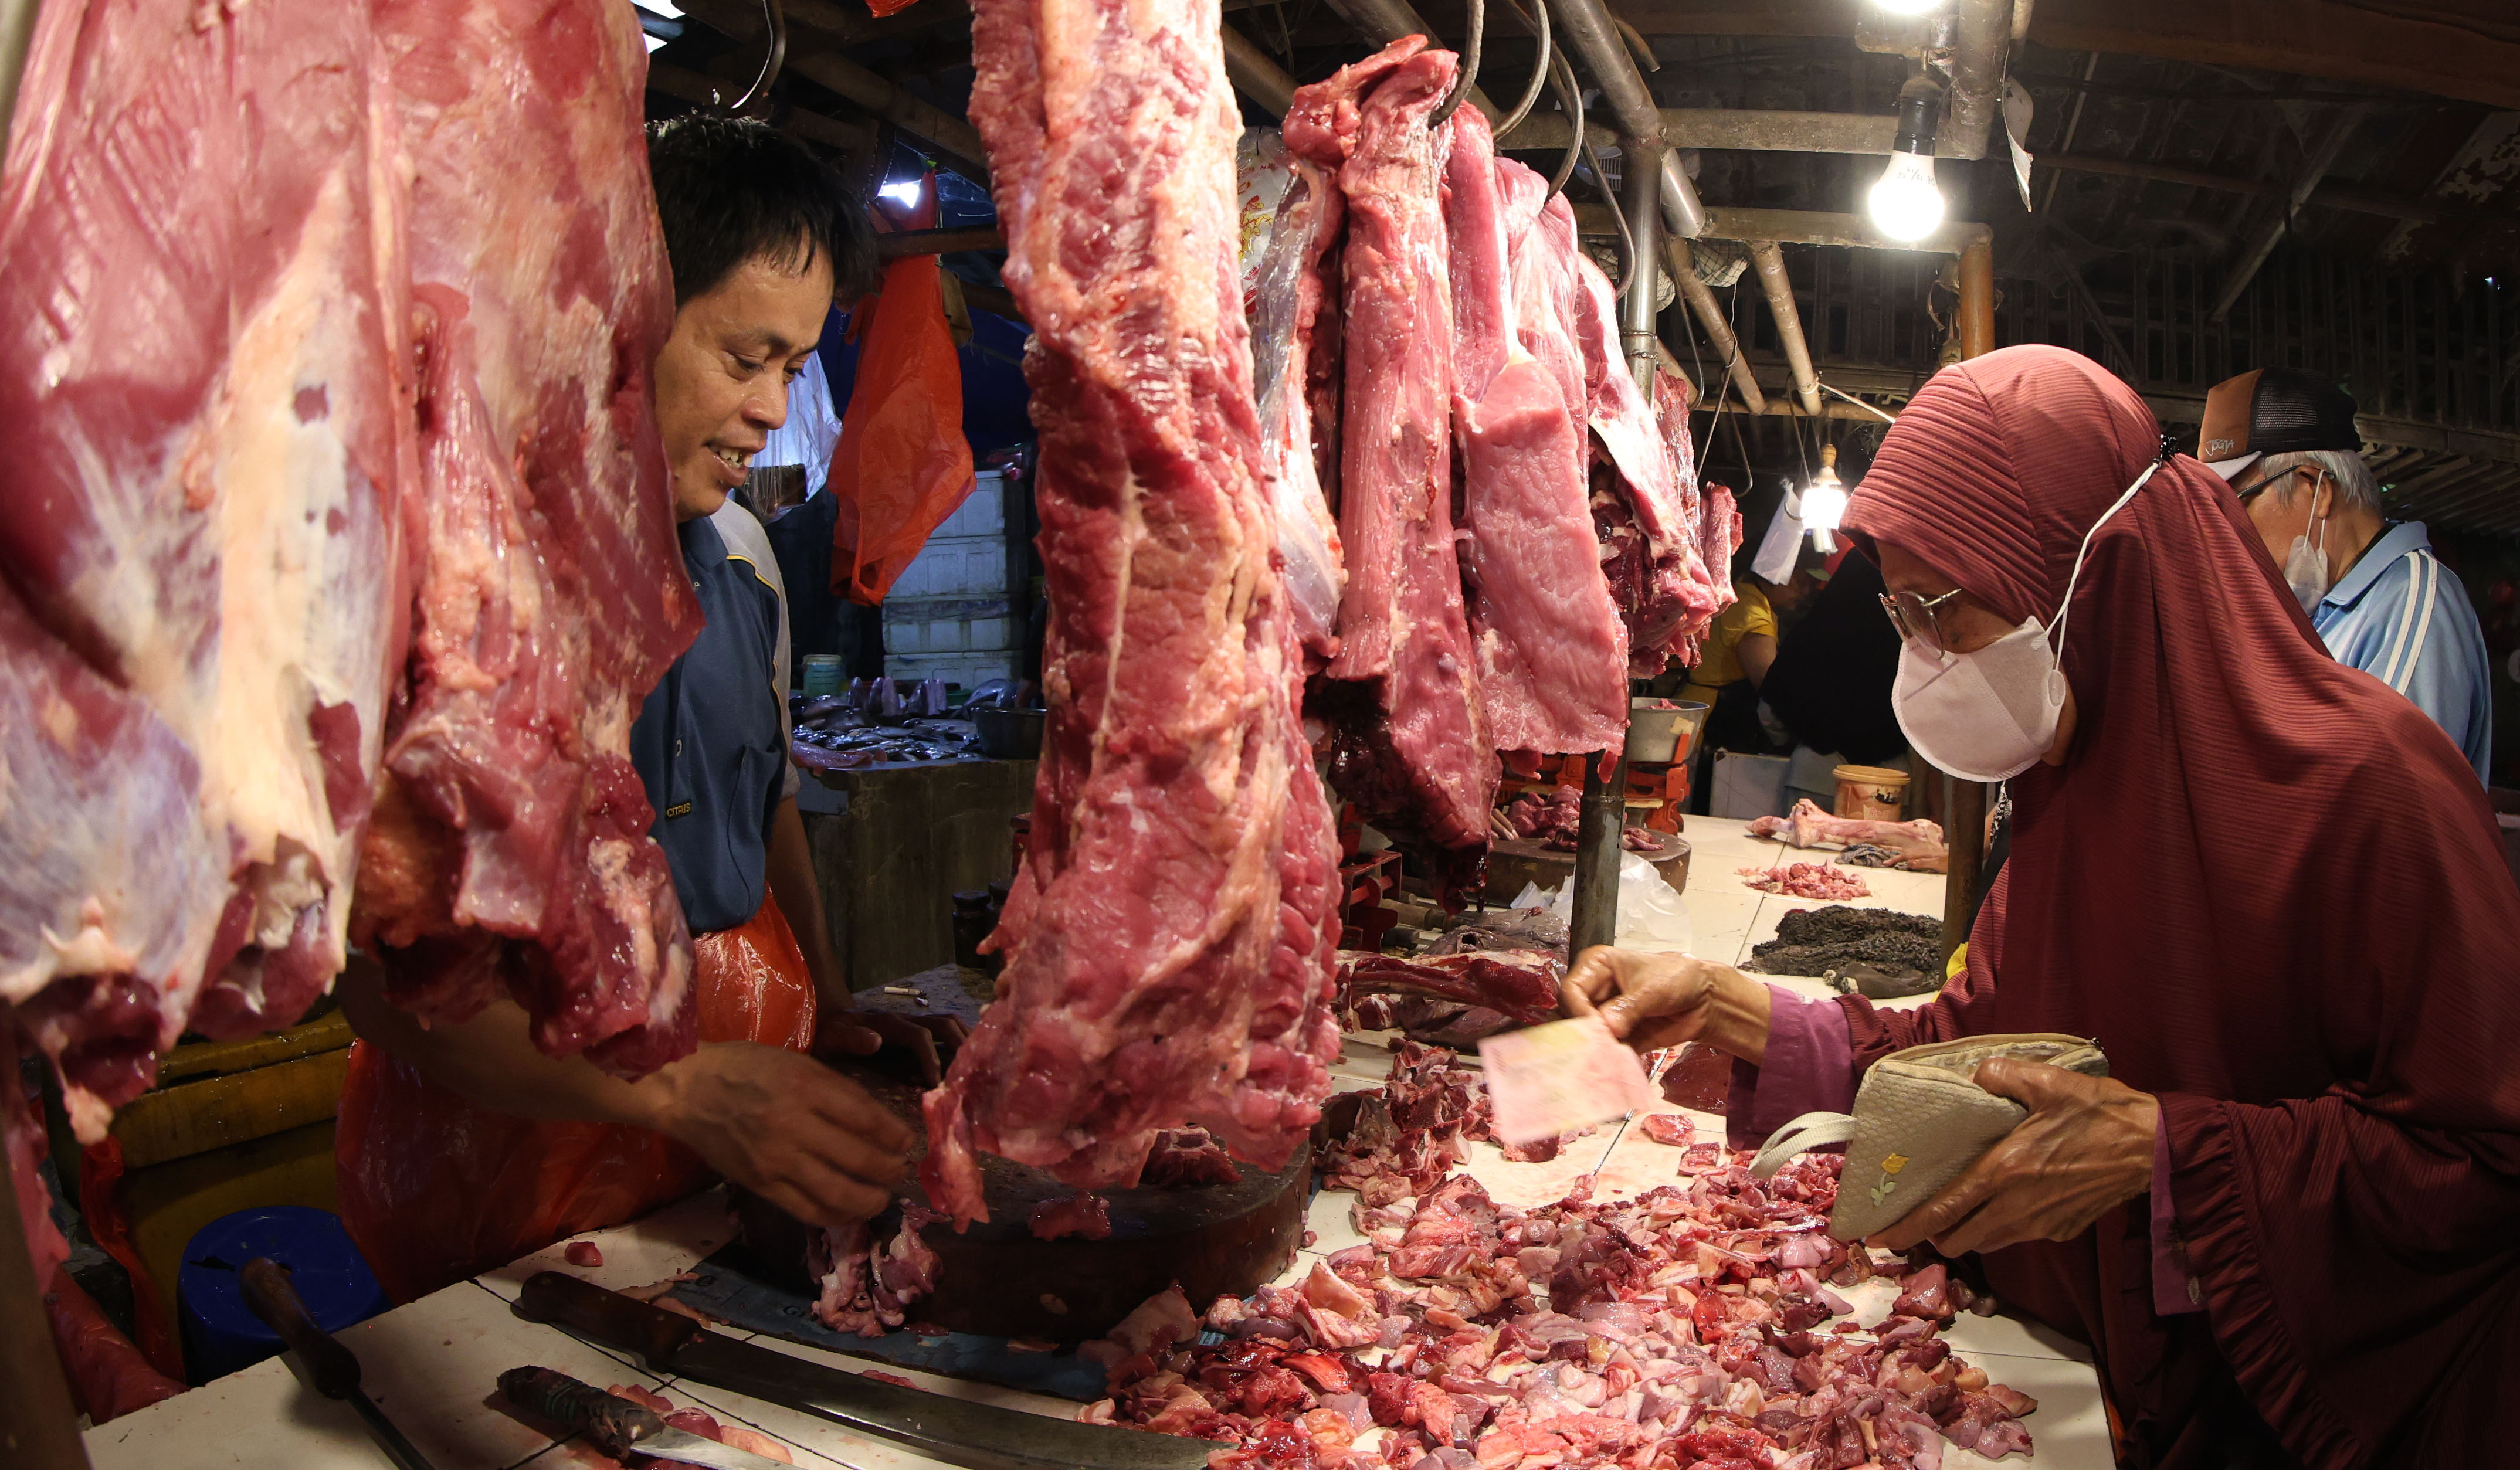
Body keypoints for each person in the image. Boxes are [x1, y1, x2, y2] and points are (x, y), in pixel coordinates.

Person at [1564, 347, 2520, 1467]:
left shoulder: (2371, 789)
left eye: (1946, 611)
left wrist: (2168, 1154)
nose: (1921, 654)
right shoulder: (2078, 787)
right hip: (2104, 1398)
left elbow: (2484, 1165)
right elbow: (1971, 1057)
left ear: (2095, 577)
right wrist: (1731, 1008)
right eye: (1900, 610)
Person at [335, 117, 924, 1302]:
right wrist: (675, 1086)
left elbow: (771, 804)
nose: (770, 408)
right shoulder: (454, 571)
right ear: (625, 314)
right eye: (744, 355)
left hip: (725, 1082)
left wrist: (831, 986)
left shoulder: (747, 555)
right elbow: (365, 970)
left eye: (795, 369)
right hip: (508, 1109)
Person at [2200, 366, 2493, 783]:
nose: (2224, 534)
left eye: (2233, 508)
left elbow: (2385, 805)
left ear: (2315, 489)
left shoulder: (2412, 602)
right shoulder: (2321, 614)